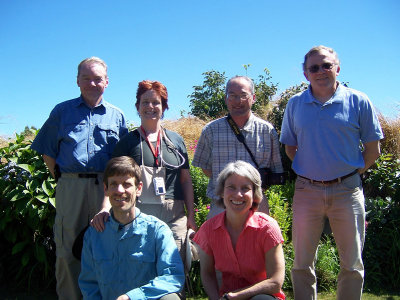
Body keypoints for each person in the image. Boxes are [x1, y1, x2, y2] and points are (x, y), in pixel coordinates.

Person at [280, 45, 384, 299]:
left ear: (337, 68)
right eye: (313, 67)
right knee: (302, 264)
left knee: (352, 264)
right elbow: (290, 148)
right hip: (307, 191)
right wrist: (313, 171)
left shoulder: (358, 101)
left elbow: (373, 149)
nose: (321, 71)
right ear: (305, 74)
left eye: (326, 65)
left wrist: (348, 174)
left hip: (347, 191)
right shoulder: (295, 105)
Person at [31, 57, 128, 300]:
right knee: (67, 250)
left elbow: (122, 162)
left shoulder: (117, 117)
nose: (92, 83)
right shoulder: (61, 112)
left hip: (106, 191)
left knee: (107, 248)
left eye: (98, 79)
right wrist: (65, 179)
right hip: (70, 187)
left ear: (107, 82)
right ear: (77, 81)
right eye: (86, 78)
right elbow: (47, 152)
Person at [92, 80, 197, 265]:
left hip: (174, 216)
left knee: (174, 266)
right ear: (137, 107)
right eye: (145, 102)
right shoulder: (127, 142)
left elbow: (186, 180)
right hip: (139, 215)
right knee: (141, 267)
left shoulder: (176, 141)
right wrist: (104, 208)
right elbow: (112, 180)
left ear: (164, 107)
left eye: (156, 102)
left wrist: (191, 216)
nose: (150, 106)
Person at [79, 156, 185, 300]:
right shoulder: (94, 234)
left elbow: (173, 276)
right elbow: (89, 284)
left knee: (171, 298)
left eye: (126, 184)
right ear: (106, 189)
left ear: (139, 188)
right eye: (114, 184)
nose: (119, 190)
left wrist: (132, 297)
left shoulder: (158, 231)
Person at [192, 76, 284, 219]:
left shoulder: (267, 131)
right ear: (225, 98)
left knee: (259, 242)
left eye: (243, 95)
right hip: (220, 207)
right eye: (232, 95)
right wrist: (229, 189)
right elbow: (206, 169)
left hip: (256, 206)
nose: (237, 101)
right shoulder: (210, 130)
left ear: (253, 97)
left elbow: (274, 170)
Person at [193, 160, 285, 300]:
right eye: (231, 187)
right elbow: (207, 274)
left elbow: (275, 282)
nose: (238, 194)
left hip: (263, 297)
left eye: (245, 188)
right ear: (222, 192)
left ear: (254, 194)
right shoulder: (208, 229)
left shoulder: (267, 228)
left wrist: (236, 296)